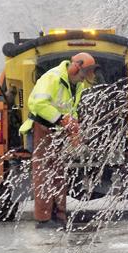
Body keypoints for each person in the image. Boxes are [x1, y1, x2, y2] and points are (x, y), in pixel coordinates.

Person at [18, 52, 97, 228]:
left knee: (58, 174)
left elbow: (72, 109)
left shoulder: (78, 85)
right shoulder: (52, 78)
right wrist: (61, 119)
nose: (86, 77)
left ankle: (59, 216)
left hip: (59, 131)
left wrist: (73, 126)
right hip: (42, 128)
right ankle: (44, 219)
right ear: (76, 67)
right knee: (44, 174)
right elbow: (37, 104)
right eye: (86, 72)